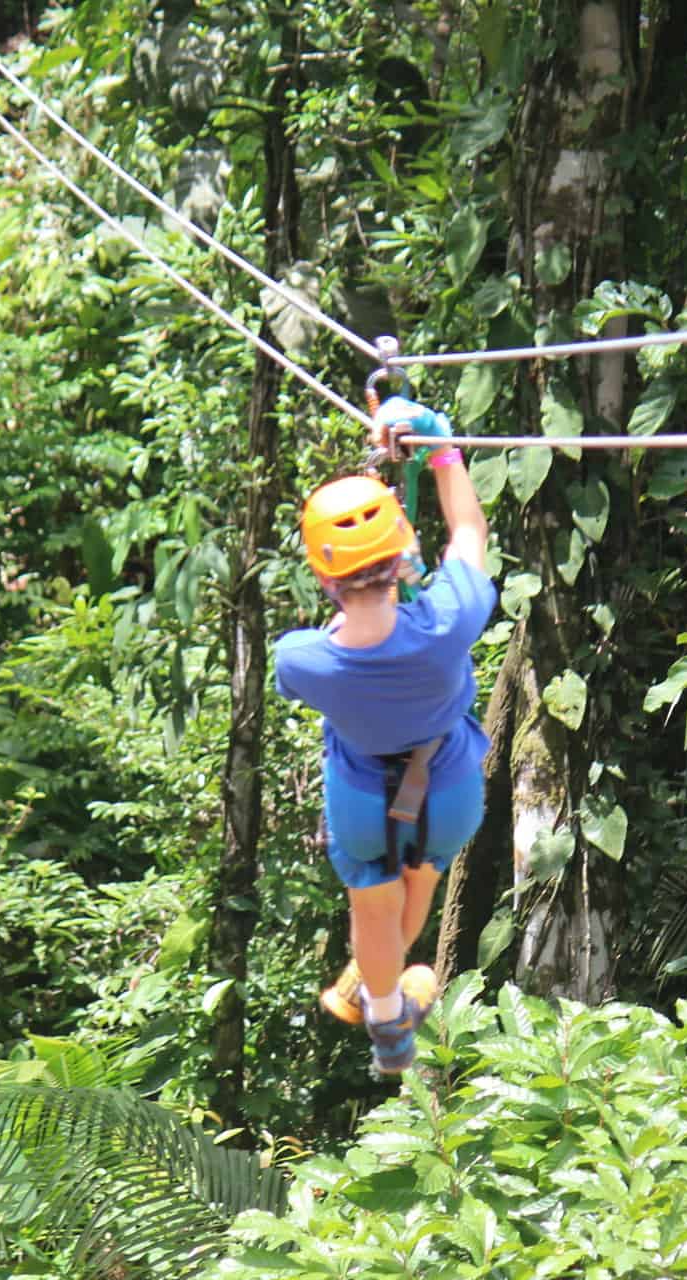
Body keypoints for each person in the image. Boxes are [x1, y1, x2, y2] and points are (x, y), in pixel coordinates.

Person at [273, 397, 494, 1075]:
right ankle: (381, 990)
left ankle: (384, 1014)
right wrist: (441, 449)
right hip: (449, 790)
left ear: (322, 575)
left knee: (371, 899)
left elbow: (337, 648)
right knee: (419, 878)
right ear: (403, 557)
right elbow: (470, 534)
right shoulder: (450, 622)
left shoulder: (303, 658)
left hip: (362, 801)